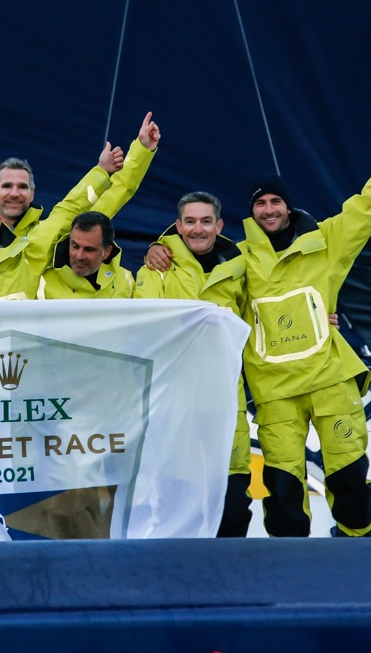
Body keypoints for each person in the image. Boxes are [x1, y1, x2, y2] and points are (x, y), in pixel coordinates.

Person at [219, 117, 371, 538]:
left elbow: (370, 204)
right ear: (250, 212)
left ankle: (359, 549)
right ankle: (293, 573)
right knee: (283, 494)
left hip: (330, 381)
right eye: (260, 204)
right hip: (275, 395)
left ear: (287, 205)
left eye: (275, 201)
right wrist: (163, 246)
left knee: (349, 482)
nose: (269, 209)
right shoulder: (240, 260)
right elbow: (202, 291)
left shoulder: (326, 241)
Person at [0, 114, 160, 301]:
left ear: (33, 194)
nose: (15, 193)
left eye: (22, 187)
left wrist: (139, 152)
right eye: (7, 186)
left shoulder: (39, 242)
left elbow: (107, 199)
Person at [133, 191, 252, 537]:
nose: (197, 229)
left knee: (233, 497)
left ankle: (230, 579)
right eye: (190, 221)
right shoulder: (156, 267)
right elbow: (143, 327)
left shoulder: (241, 267)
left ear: (219, 225)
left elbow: (262, 315)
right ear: (178, 225)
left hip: (226, 396)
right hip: (175, 400)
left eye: (205, 221)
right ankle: (175, 579)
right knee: (173, 497)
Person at [36, 211, 134, 299]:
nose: (79, 256)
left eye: (89, 249)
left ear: (107, 252)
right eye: (75, 246)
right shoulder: (41, 280)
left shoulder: (125, 281)